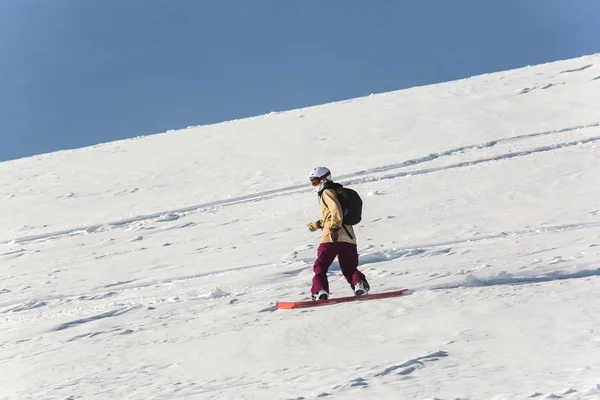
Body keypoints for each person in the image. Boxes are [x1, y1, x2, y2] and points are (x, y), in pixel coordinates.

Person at [306, 167, 370, 300]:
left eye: (315, 181)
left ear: (324, 179)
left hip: (331, 236)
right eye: (312, 181)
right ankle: (360, 286)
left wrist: (334, 228)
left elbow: (335, 212)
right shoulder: (337, 192)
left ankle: (320, 291)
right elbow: (332, 215)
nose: (314, 184)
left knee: (320, 267)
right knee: (349, 267)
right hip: (349, 237)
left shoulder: (327, 192)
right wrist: (316, 225)